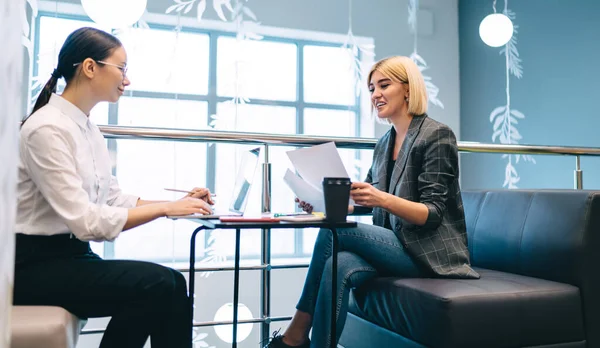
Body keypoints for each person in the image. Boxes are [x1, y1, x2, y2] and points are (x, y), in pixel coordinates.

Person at [14, 27, 214, 348]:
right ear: (91, 68)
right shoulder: (46, 128)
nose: (127, 79)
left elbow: (112, 199)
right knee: (159, 285)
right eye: (122, 69)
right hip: (34, 267)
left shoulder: (88, 129)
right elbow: (85, 221)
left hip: (70, 259)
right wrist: (165, 209)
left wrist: (179, 204)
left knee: (172, 285)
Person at [264, 56, 480, 348]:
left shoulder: (436, 135)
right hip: (397, 246)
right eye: (371, 88)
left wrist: (380, 197)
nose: (375, 94)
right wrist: (322, 204)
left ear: (407, 89)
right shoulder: (383, 143)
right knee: (337, 265)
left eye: (384, 85)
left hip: (428, 255)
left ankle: (296, 332)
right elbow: (369, 203)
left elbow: (432, 214)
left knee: (337, 230)